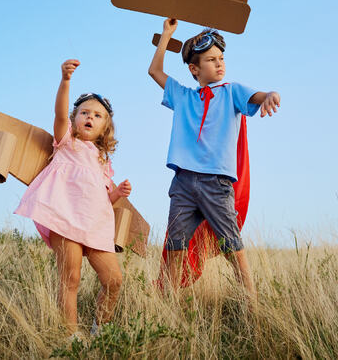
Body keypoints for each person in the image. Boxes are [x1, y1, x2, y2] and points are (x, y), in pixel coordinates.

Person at [148, 18, 281, 303]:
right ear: (195, 69)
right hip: (183, 183)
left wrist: (270, 95)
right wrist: (167, 35)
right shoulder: (183, 96)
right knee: (175, 247)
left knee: (232, 245)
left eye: (221, 58)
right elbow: (154, 70)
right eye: (211, 60)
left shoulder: (231, 91)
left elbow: (258, 95)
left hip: (216, 183)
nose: (219, 63)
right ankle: (167, 308)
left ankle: (252, 305)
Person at [14, 59, 131, 339]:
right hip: (65, 220)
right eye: (84, 113)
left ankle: (100, 330)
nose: (90, 117)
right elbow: (58, 114)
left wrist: (117, 193)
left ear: (105, 128)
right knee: (71, 279)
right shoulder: (67, 142)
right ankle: (70, 338)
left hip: (94, 226)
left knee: (114, 280)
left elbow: (103, 200)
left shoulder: (103, 161)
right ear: (74, 119)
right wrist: (65, 81)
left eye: (98, 115)